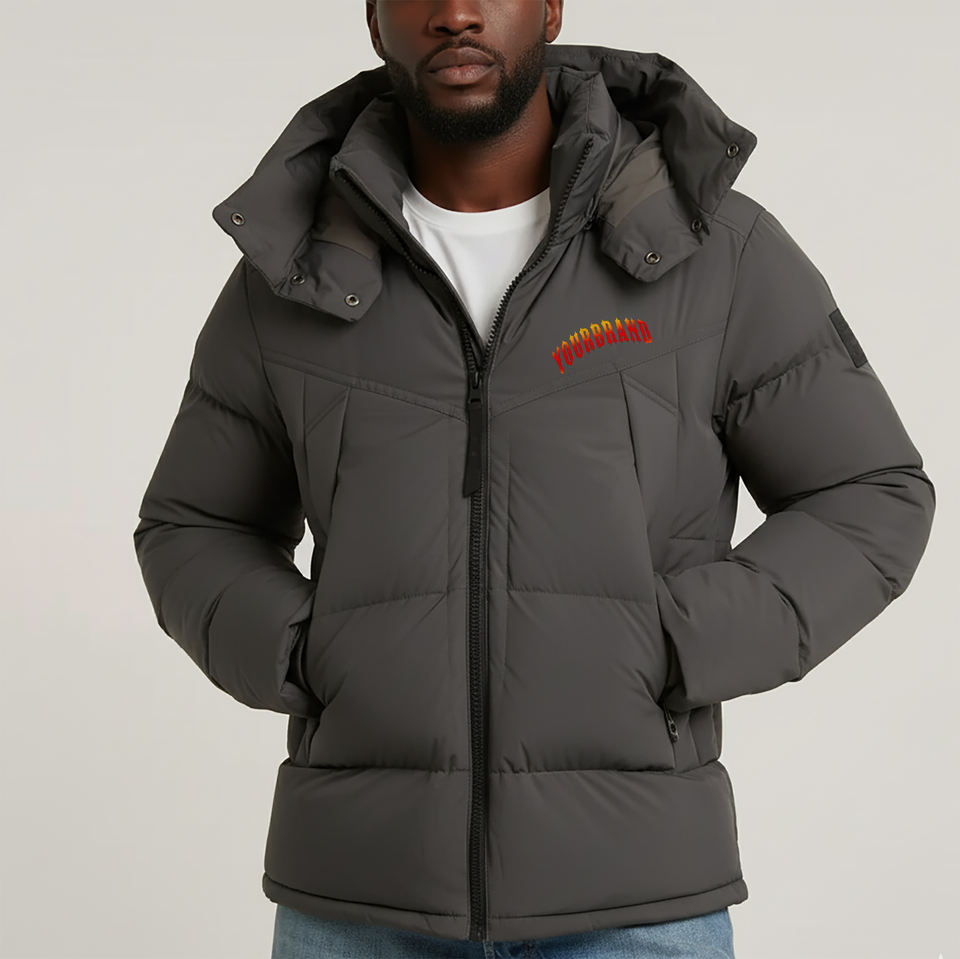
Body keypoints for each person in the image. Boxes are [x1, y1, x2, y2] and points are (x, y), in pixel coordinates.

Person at [132, 2, 936, 957]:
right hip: (357, 898)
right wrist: (310, 651)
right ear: (374, 19)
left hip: (636, 902)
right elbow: (192, 524)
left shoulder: (713, 251)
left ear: (551, 6)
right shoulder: (297, 268)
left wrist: (674, 644)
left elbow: (869, 492)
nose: (456, 12)